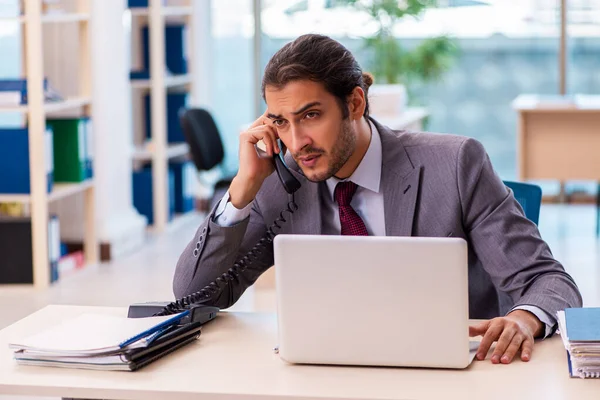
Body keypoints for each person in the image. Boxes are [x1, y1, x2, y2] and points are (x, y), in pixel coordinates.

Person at [173, 34, 582, 364]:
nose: (297, 142)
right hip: (330, 372)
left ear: (354, 102)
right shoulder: (279, 183)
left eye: (311, 115)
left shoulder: (455, 163)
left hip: (451, 375)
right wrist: (242, 190)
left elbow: (549, 282)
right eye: (281, 122)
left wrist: (524, 319)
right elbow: (192, 294)